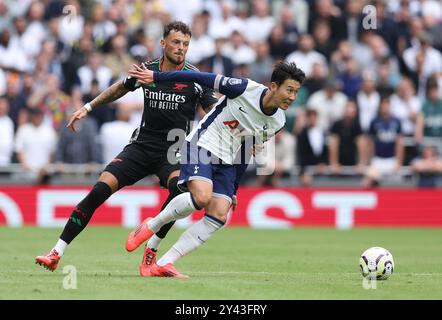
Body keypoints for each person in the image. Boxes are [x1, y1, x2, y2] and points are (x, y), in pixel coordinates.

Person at [35, 21, 218, 273]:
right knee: (99, 190)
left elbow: (214, 113)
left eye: (186, 44)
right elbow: (120, 89)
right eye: (176, 42)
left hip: (173, 150)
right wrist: (87, 108)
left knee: (178, 191)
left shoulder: (195, 78)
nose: (181, 48)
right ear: (163, 43)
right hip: (141, 146)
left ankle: (150, 253)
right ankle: (56, 252)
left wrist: (237, 135)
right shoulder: (148, 71)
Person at [125, 61, 305, 277]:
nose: (293, 97)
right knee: (201, 197)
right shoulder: (244, 88)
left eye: (296, 92)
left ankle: (164, 263)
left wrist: (234, 189)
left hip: (228, 160)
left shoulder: (278, 121)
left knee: (219, 214)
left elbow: (246, 147)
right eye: (289, 90)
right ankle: (151, 224)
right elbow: (199, 78)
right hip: (203, 145)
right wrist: (156, 76)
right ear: (274, 86)